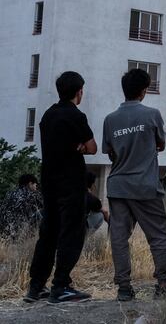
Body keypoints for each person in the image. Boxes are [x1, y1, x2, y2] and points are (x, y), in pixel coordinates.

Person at [25, 71, 97, 304]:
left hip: (49, 181)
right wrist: (81, 147)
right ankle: (61, 286)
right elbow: (92, 147)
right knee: (71, 233)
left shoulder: (48, 115)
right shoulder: (75, 115)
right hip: (71, 183)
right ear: (79, 92)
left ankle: (36, 286)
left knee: (48, 234)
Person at [103, 69, 166, 301]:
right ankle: (163, 284)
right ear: (144, 91)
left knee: (119, 238)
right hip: (145, 185)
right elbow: (161, 145)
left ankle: (123, 287)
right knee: (158, 235)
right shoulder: (152, 114)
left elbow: (110, 152)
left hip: (118, 185)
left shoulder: (110, 119)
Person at [0, 174, 43, 240]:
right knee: (44, 213)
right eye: (35, 184)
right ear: (30, 184)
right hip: (18, 232)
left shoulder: (10, 193)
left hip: (3, 231)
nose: (36, 186)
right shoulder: (31, 195)